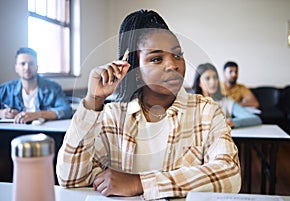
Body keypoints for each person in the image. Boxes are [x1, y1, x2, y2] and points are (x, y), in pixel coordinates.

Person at [56, 10, 241, 200]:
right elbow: (71, 179)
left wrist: (139, 183)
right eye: (156, 59)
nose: (172, 65)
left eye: (177, 55)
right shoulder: (113, 116)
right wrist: (93, 101)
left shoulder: (206, 111)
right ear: (136, 71)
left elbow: (230, 175)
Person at [0, 47, 72, 123]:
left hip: (44, 132)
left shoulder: (53, 88)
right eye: (23, 64)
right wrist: (1, 113)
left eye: (31, 63)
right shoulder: (5, 89)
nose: (27, 67)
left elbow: (66, 110)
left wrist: (38, 115)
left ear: (37, 67)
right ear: (16, 68)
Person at [192, 63, 262, 128]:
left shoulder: (226, 101)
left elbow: (256, 119)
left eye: (215, 77)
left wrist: (232, 122)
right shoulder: (190, 102)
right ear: (199, 82)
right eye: (207, 78)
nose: (213, 82)